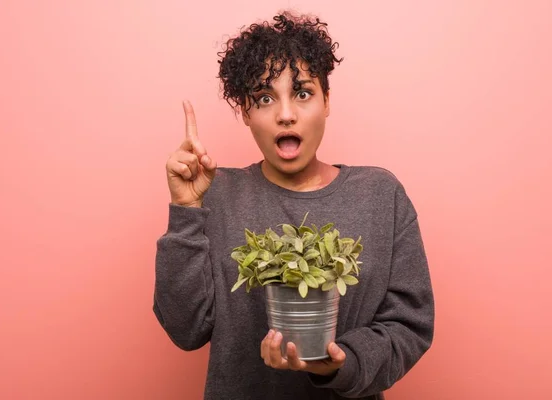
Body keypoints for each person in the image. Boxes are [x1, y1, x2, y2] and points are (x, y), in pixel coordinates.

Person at [153, 11, 434, 400]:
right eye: (265, 98)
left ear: (327, 100)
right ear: (246, 113)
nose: (286, 114)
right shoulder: (215, 194)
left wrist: (340, 363)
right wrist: (186, 210)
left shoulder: (380, 195)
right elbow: (186, 330)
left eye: (302, 92)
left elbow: (409, 324)